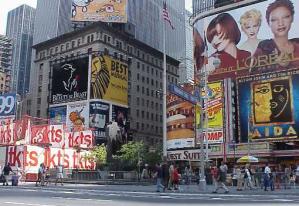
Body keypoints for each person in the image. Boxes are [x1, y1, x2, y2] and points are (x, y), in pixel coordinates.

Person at [253, 0, 299, 73]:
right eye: (274, 20)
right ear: (268, 23)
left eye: (285, 17)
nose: (280, 23)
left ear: (292, 18)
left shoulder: (297, 44)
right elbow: (250, 80)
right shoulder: (264, 48)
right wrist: (277, 66)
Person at [206, 13, 251, 81]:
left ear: (230, 28)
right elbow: (201, 85)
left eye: (218, 34)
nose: (214, 41)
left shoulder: (247, 55)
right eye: (212, 37)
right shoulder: (213, 60)